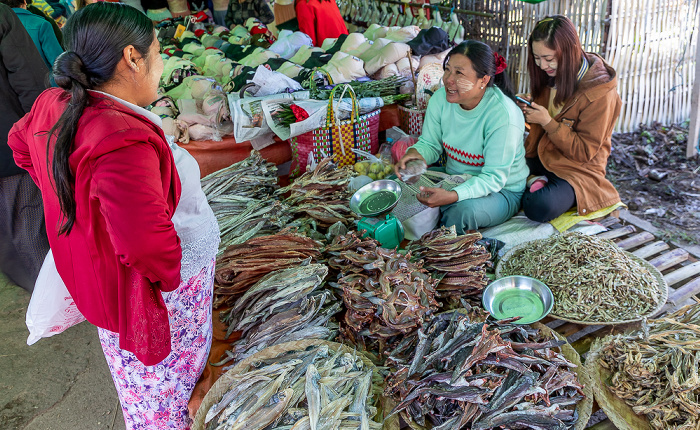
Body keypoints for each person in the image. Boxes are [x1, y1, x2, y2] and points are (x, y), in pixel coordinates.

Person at [8, 3, 219, 428]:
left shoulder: (57, 102)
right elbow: (146, 247)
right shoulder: (121, 138)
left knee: (139, 384)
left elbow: (20, 144)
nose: (161, 65)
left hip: (107, 285)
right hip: (156, 295)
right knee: (165, 396)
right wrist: (173, 282)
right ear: (132, 58)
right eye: (158, 53)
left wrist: (74, 204)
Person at [395, 40, 528, 234]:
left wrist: (453, 195)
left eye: (459, 73)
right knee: (397, 187)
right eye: (448, 70)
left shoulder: (503, 115)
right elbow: (430, 144)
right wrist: (415, 154)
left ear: (483, 80)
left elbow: (493, 178)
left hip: (501, 191)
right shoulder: (440, 100)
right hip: (454, 177)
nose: (448, 79)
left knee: (461, 213)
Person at [517, 15, 621, 222]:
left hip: (577, 170)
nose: (542, 65)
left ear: (569, 51)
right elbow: (550, 119)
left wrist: (547, 121)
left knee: (540, 207)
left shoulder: (599, 93)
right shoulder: (549, 75)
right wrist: (529, 110)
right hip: (543, 155)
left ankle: (535, 183)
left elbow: (584, 151)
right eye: (537, 58)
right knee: (496, 168)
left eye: (548, 58)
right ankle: (535, 181)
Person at [0, 3, 50, 293]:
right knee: (27, 217)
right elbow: (28, 77)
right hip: (8, 142)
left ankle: (32, 283)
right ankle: (45, 291)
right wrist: (43, 133)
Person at [2, 0, 64, 68]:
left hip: (13, 77)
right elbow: (57, 61)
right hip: (44, 76)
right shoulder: (42, 24)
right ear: (25, 2)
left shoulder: (2, 26)